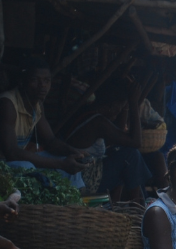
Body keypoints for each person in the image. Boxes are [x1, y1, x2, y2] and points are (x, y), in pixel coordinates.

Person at [0, 57, 87, 185]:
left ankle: (76, 204)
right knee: (28, 167)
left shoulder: (37, 105)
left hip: (17, 160)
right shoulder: (8, 104)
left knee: (70, 164)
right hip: (4, 162)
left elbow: (50, 141)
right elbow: (11, 152)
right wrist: (61, 164)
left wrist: (72, 152)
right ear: (22, 81)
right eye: (35, 80)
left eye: (47, 81)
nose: (43, 86)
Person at [63, 78, 150, 203]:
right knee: (130, 155)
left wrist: (126, 106)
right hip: (83, 178)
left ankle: (122, 205)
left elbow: (121, 138)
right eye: (119, 107)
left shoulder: (91, 113)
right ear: (111, 106)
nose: (119, 111)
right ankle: (139, 206)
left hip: (87, 172)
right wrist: (133, 103)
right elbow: (136, 142)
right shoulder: (98, 122)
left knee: (123, 156)